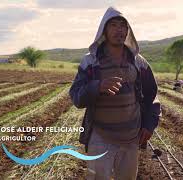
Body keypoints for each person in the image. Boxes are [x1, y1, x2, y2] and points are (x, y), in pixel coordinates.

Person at [69, 7, 161, 180]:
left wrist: (149, 124)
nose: (119, 30)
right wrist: (97, 87)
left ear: (128, 31)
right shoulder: (91, 61)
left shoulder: (139, 62)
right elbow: (76, 96)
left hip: (131, 138)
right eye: (113, 25)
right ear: (104, 29)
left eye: (123, 26)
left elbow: (152, 95)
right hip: (100, 137)